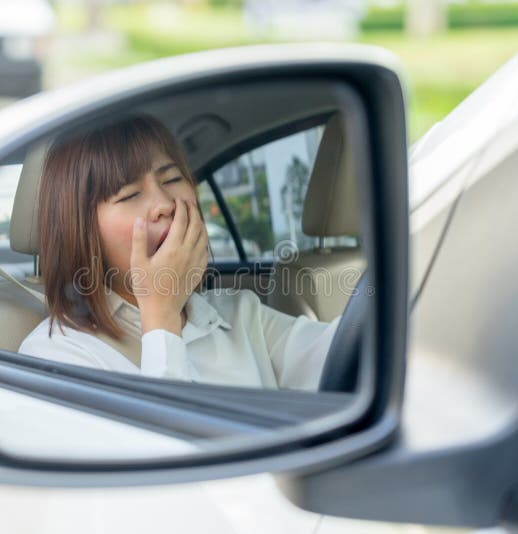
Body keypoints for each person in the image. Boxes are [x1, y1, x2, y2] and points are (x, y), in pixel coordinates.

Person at [18, 114, 341, 391]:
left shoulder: (239, 313)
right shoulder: (56, 355)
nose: (164, 204)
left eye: (172, 178)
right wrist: (161, 315)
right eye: (129, 194)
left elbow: (347, 354)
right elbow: (165, 455)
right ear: (80, 228)